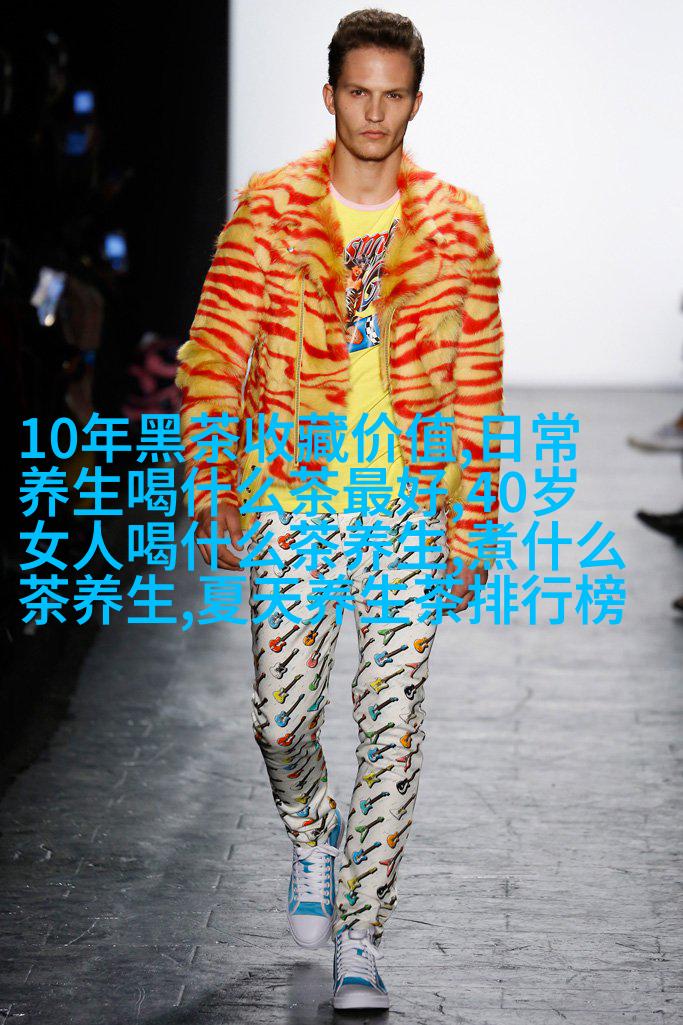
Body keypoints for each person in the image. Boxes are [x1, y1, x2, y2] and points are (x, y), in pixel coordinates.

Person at [175, 8, 505, 1012]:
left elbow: (477, 385)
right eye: (356, 91)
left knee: (392, 728)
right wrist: (212, 485)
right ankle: (313, 833)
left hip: (407, 505)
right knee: (281, 721)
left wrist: (470, 522)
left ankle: (361, 933)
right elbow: (212, 354)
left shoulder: (455, 222)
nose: (372, 112)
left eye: (390, 94)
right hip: (292, 499)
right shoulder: (270, 209)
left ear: (415, 101)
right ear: (330, 95)